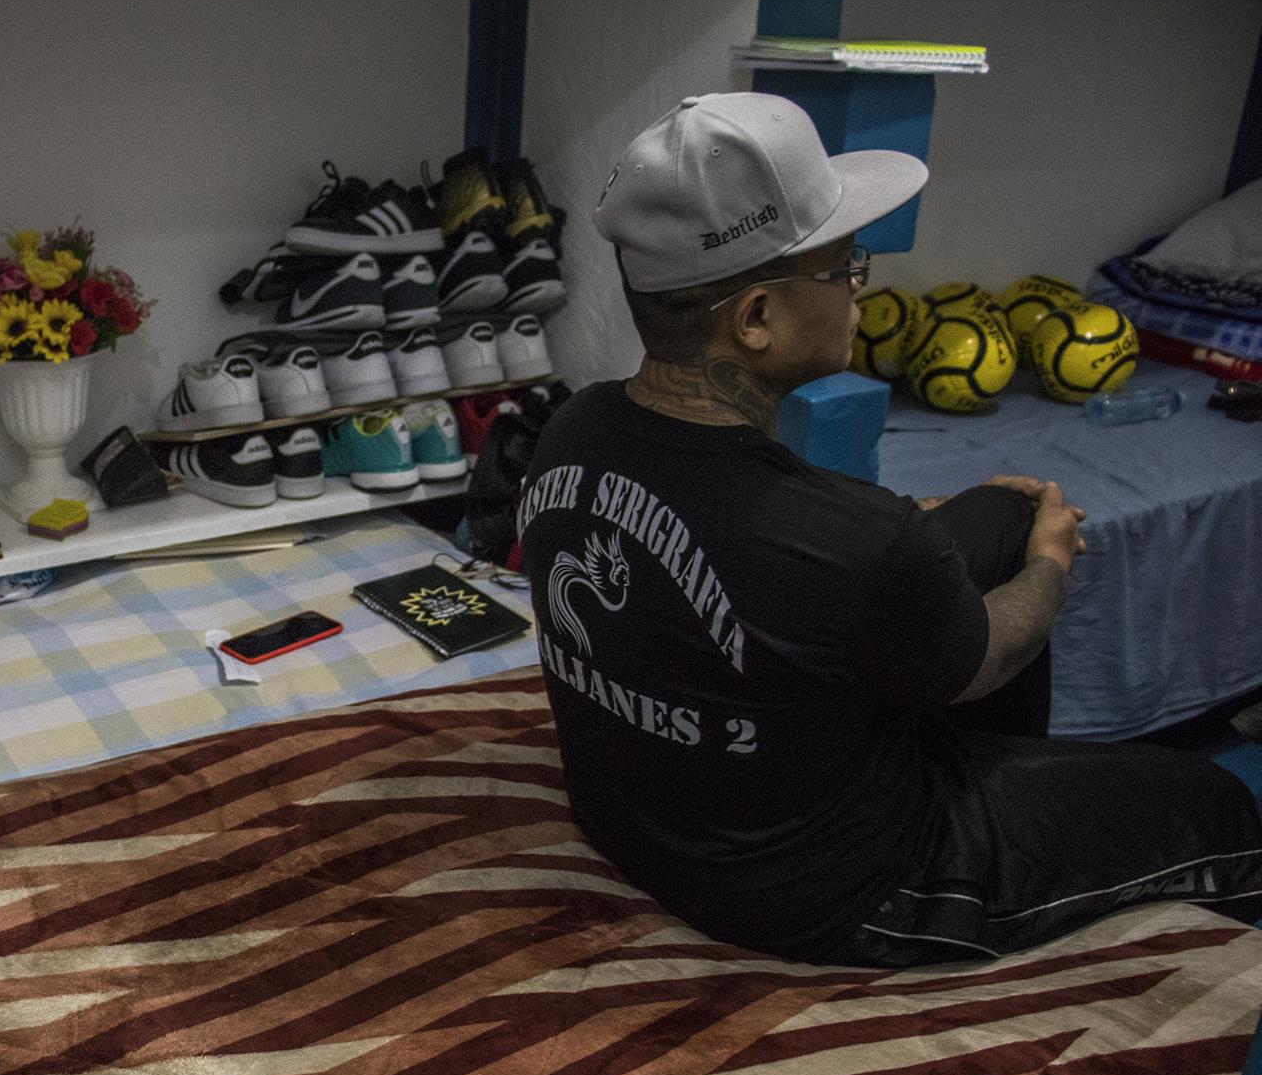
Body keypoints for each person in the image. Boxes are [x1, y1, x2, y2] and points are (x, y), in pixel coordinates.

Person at [518, 92, 1262, 967]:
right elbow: (988, 650)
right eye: (844, 268)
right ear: (756, 318)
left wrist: (961, 527)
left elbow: (762, 548)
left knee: (1007, 510)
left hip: (645, 817)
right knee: (1218, 804)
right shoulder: (846, 537)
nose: (861, 291)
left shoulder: (574, 428)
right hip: (836, 888)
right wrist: (1052, 564)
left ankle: (995, 759)